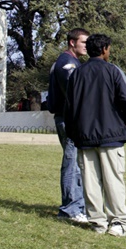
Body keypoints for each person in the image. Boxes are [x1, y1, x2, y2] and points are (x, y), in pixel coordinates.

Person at [65, 34, 126, 236]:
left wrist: (73, 133)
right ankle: (118, 222)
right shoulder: (113, 71)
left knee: (90, 182)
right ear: (105, 49)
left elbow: (69, 108)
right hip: (111, 135)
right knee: (113, 180)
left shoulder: (76, 74)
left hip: (84, 136)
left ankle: (98, 222)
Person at [47, 28, 89, 224]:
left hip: (69, 118)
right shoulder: (67, 63)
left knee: (76, 164)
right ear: (72, 42)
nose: (86, 47)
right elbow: (75, 93)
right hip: (68, 119)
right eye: (83, 43)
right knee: (71, 164)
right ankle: (70, 209)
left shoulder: (72, 62)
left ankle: (77, 206)